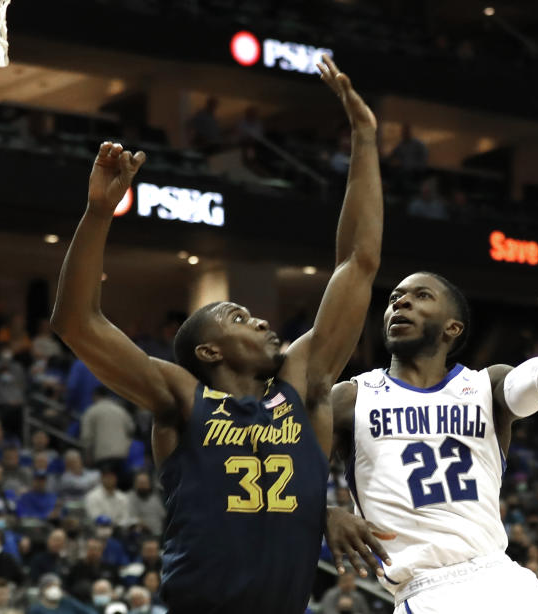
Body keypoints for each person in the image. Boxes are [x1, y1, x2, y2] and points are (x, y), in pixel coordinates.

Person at [49, 55, 381, 614]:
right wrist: (99, 213)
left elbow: (359, 261)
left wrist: (365, 139)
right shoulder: (182, 398)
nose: (257, 319)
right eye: (236, 317)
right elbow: (77, 323)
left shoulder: (303, 384)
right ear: (208, 351)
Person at [326, 234, 538, 613]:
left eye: (421, 295)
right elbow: (285, 465)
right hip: (428, 592)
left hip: (503, 581)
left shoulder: (485, 387)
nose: (401, 301)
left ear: (452, 328)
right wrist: (324, 512)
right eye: (394, 299)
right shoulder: (351, 398)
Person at [79, 387, 134, 474]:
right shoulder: (120, 410)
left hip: (103, 455)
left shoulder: (91, 411)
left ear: (95, 396)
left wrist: (87, 455)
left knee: (107, 484)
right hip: (122, 454)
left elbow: (86, 437)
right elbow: (131, 428)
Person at [28, 574, 95, 614]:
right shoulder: (36, 609)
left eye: (57, 586)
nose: (54, 589)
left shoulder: (68, 602)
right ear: (42, 589)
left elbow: (90, 612)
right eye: (50, 586)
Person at [128, 472, 165, 537]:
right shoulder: (130, 497)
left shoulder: (155, 498)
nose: (143, 485)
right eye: (140, 483)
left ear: (149, 484)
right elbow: (131, 518)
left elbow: (163, 516)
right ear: (135, 484)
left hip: (159, 534)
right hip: (141, 534)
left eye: (145, 483)